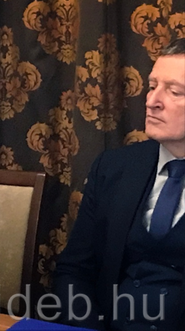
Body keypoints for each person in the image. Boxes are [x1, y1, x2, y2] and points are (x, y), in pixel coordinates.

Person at [52, 38, 185, 330]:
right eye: (152, 86)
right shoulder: (114, 167)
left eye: (174, 91)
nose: (152, 101)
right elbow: (75, 271)